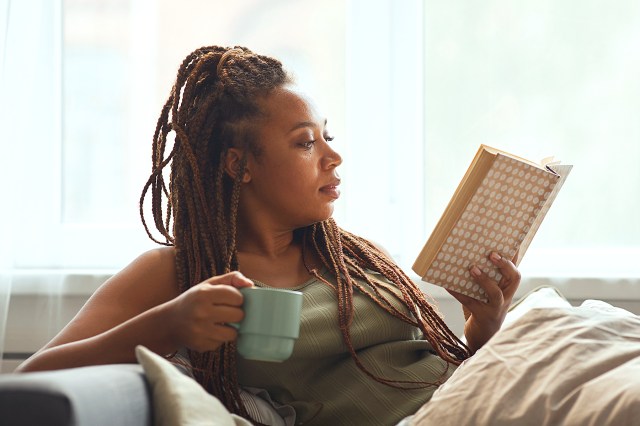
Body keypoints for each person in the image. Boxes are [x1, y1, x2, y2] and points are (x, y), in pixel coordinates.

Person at [17, 46, 521, 425]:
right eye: (305, 142)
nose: (332, 156)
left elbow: (439, 366)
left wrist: (484, 326)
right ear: (240, 164)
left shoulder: (360, 258)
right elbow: (32, 381)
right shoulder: (180, 272)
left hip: (476, 401)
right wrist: (168, 326)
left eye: (329, 135)